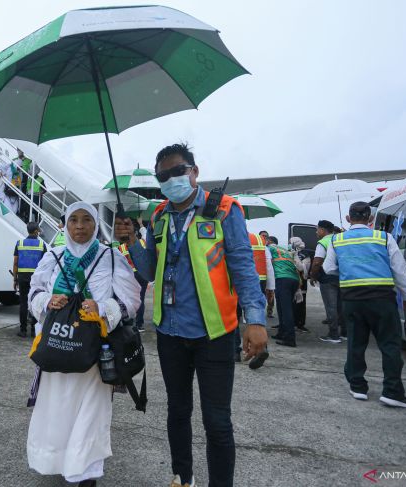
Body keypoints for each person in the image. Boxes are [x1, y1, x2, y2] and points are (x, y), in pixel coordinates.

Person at [117, 143, 268, 487]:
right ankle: (182, 478)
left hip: (214, 334)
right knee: (177, 412)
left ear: (194, 172)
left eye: (176, 171)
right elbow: (151, 271)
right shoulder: (158, 217)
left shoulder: (225, 209)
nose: (170, 180)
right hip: (170, 334)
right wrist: (130, 242)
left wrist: (255, 320)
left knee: (217, 421)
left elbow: (244, 266)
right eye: (162, 176)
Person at [27, 202, 141, 486]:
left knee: (91, 411)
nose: (79, 226)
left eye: (87, 219)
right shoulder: (53, 256)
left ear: (96, 224)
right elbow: (34, 291)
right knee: (56, 410)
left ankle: (86, 470)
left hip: (94, 352)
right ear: (65, 225)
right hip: (58, 347)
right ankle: (58, 459)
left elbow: (132, 301)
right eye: (73, 220)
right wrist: (46, 301)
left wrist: (102, 308)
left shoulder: (110, 257)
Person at [323, 202, 406, 408]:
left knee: (356, 343)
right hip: (382, 298)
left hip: (352, 299)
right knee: (389, 344)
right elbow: (399, 269)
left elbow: (328, 268)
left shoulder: (336, 240)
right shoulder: (384, 238)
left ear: (348, 219)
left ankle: (358, 387)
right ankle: (392, 391)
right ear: (370, 219)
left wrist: (350, 273)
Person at [234, 232, 274, 368]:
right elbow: (268, 263)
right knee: (255, 315)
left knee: (234, 315)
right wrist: (271, 287)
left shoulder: (231, 235)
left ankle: (235, 351)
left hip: (236, 281)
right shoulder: (259, 239)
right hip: (259, 280)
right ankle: (261, 348)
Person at [310, 219, 345, 343]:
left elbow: (317, 262)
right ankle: (344, 332)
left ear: (323, 230)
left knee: (331, 307)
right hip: (343, 276)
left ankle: (333, 334)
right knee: (342, 306)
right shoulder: (340, 239)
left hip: (328, 277)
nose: (316, 232)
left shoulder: (323, 242)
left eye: (317, 229)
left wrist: (313, 276)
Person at [115, 216, 148, 331]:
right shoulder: (143, 242)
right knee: (141, 299)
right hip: (143, 274)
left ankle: (128, 321)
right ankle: (140, 324)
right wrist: (141, 224)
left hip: (129, 276)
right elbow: (145, 234)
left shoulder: (120, 247)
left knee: (126, 298)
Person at [14, 222, 47, 338]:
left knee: (23, 303)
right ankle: (34, 330)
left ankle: (23, 330)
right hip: (36, 279)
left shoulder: (20, 243)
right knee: (35, 302)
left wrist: (15, 279)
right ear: (36, 231)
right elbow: (45, 265)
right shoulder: (42, 245)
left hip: (22, 277)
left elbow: (15, 262)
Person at [269, 240, 302, 347]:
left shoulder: (270, 249)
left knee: (286, 310)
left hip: (282, 279)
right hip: (293, 279)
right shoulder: (286, 249)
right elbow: (299, 266)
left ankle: (290, 339)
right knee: (282, 308)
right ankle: (282, 333)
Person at [290, 237, 311, 333]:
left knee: (301, 303)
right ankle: (290, 322)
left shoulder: (305, 254)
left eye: (292, 243)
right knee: (290, 303)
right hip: (291, 280)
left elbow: (302, 268)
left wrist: (295, 257)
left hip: (301, 282)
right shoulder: (289, 252)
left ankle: (300, 324)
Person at [15, 149, 34, 222]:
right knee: (15, 195)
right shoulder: (14, 159)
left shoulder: (29, 161)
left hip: (24, 180)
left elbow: (31, 171)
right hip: (16, 179)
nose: (19, 151)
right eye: (18, 150)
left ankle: (22, 213)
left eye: (21, 150)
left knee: (23, 197)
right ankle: (16, 211)